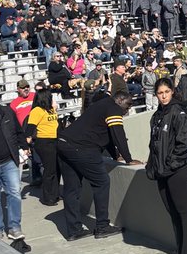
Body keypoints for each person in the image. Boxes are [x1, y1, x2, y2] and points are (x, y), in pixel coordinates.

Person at [56, 91, 141, 241]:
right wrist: (128, 159)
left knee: (72, 189)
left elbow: (107, 135)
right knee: (101, 182)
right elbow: (117, 133)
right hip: (81, 147)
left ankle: (74, 230)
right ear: (119, 100)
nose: (127, 110)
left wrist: (115, 156)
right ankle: (102, 226)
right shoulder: (113, 108)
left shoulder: (101, 106)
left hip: (63, 143)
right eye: (127, 105)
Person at [147, 78, 187, 254]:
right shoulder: (157, 116)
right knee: (172, 212)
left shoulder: (179, 112)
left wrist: (170, 165)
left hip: (177, 170)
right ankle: (180, 249)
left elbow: (185, 145)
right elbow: (154, 145)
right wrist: (153, 167)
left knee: (184, 211)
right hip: (163, 171)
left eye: (166, 92)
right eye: (160, 93)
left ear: (172, 92)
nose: (163, 96)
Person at [0, 92, 25, 244]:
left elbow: (19, 131)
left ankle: (14, 227)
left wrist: (24, 147)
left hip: (8, 161)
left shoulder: (6, 112)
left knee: (14, 193)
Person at [25, 90, 60, 207]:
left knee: (55, 169)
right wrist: (26, 145)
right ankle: (47, 197)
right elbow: (30, 128)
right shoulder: (37, 111)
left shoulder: (50, 109)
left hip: (54, 140)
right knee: (49, 170)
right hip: (44, 142)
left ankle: (54, 194)